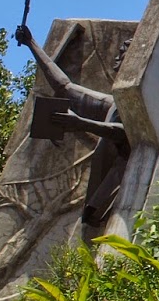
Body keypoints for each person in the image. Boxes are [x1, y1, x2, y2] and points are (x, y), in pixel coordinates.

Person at [14, 22, 131, 234]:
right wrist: (32, 44)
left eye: (125, 52)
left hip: (123, 198)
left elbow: (124, 133)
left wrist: (80, 123)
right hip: (99, 208)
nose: (118, 54)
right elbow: (65, 87)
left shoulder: (140, 105)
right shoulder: (111, 104)